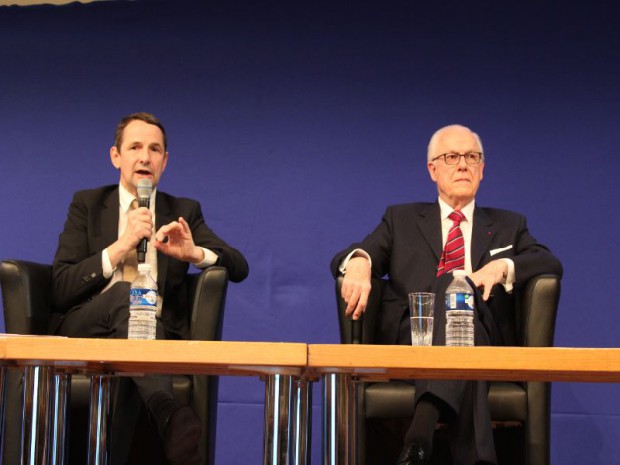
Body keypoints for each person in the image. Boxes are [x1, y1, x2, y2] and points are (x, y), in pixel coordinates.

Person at [330, 124, 562, 465]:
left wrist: (500, 268)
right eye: (451, 156)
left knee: (457, 288)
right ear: (432, 169)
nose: (463, 164)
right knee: (451, 285)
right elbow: (353, 254)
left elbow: (547, 260)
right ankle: (478, 457)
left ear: (483, 169)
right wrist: (361, 263)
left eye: (472, 157)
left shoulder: (510, 224)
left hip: (486, 333)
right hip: (415, 337)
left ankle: (421, 428)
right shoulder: (401, 218)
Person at [50, 112, 249, 465]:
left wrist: (194, 252)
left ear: (165, 161)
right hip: (88, 328)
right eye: (135, 147)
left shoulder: (182, 211)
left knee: (136, 345)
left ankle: (154, 426)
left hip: (155, 334)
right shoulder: (88, 204)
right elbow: (61, 287)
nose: (145, 157)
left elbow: (238, 266)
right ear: (116, 156)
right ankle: (167, 411)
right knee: (128, 295)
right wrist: (121, 245)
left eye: (155, 149)